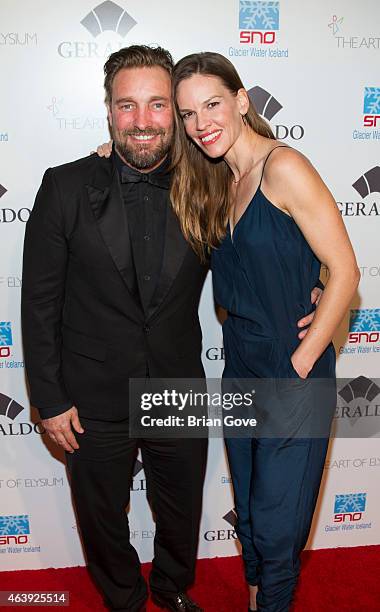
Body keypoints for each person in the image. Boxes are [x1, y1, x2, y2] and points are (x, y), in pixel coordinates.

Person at [23, 44, 321, 612]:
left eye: (159, 105)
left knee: (180, 509)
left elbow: (263, 246)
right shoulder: (63, 186)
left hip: (175, 383)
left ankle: (169, 587)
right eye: (127, 105)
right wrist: (49, 398)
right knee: (102, 515)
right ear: (108, 110)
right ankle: (127, 600)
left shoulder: (207, 186)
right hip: (91, 391)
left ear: (176, 116)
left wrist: (318, 284)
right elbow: (38, 300)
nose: (142, 121)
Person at [169, 52, 360, 612]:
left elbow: (346, 270)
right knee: (251, 511)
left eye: (212, 104)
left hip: (289, 367)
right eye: (187, 113)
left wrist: (300, 363)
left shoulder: (284, 167)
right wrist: (110, 151)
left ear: (242, 100)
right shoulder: (216, 183)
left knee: (278, 525)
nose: (201, 122)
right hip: (240, 366)